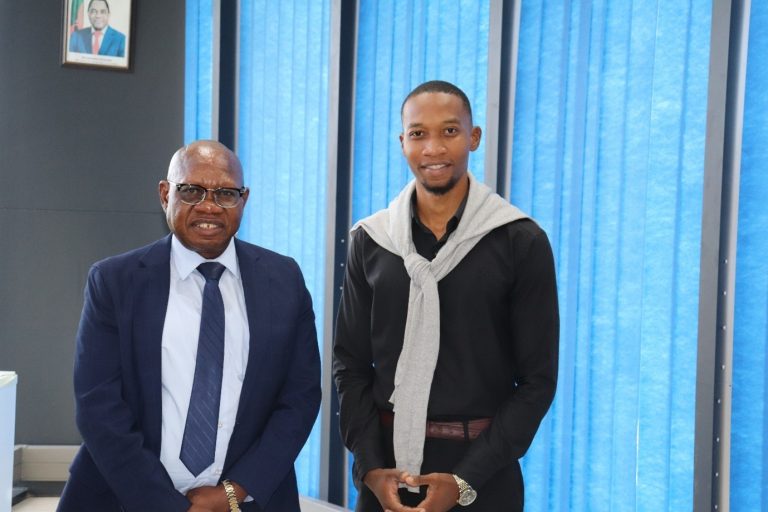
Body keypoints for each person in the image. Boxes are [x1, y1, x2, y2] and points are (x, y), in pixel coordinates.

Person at [58, 140, 321, 512]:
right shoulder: (115, 282)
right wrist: (169, 507)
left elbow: (300, 398)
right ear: (165, 194)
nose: (209, 206)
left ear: (243, 200)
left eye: (225, 193)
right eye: (192, 190)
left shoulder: (284, 280)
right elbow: (98, 407)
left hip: (243, 502)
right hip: (125, 500)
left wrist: (231, 493)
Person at [333, 81, 559, 512]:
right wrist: (370, 468)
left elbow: (538, 382)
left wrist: (465, 480)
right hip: (387, 475)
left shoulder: (520, 241)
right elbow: (350, 365)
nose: (433, 148)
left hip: (484, 476)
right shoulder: (371, 240)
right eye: (418, 133)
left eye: (450, 131)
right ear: (402, 142)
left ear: (474, 137)